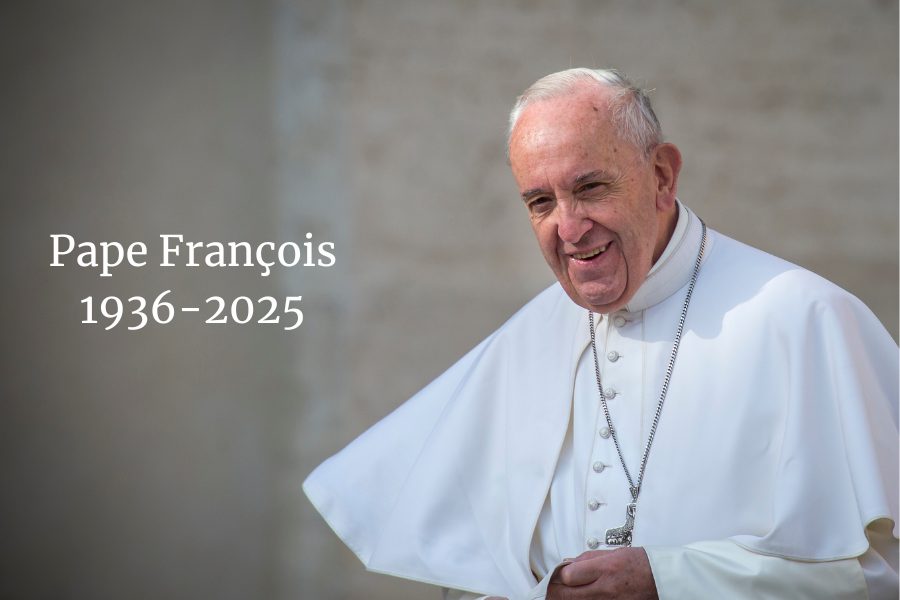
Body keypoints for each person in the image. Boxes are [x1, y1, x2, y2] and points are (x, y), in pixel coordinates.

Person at [303, 68, 898, 599]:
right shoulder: (527, 340)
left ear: (661, 176)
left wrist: (669, 582)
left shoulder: (805, 317)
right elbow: (473, 575)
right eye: (541, 201)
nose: (569, 228)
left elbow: (883, 573)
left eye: (589, 188)